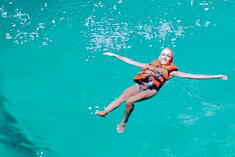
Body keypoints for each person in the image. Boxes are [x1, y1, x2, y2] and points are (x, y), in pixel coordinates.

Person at [95, 48, 228, 132]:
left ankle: (123, 122)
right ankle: (105, 112)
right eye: (163, 54)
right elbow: (130, 61)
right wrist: (115, 55)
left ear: (171, 60)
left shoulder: (172, 72)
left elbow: (193, 76)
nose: (164, 57)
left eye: (168, 56)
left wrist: (216, 76)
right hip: (141, 83)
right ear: (159, 56)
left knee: (130, 101)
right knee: (123, 96)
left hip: (151, 89)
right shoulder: (149, 65)